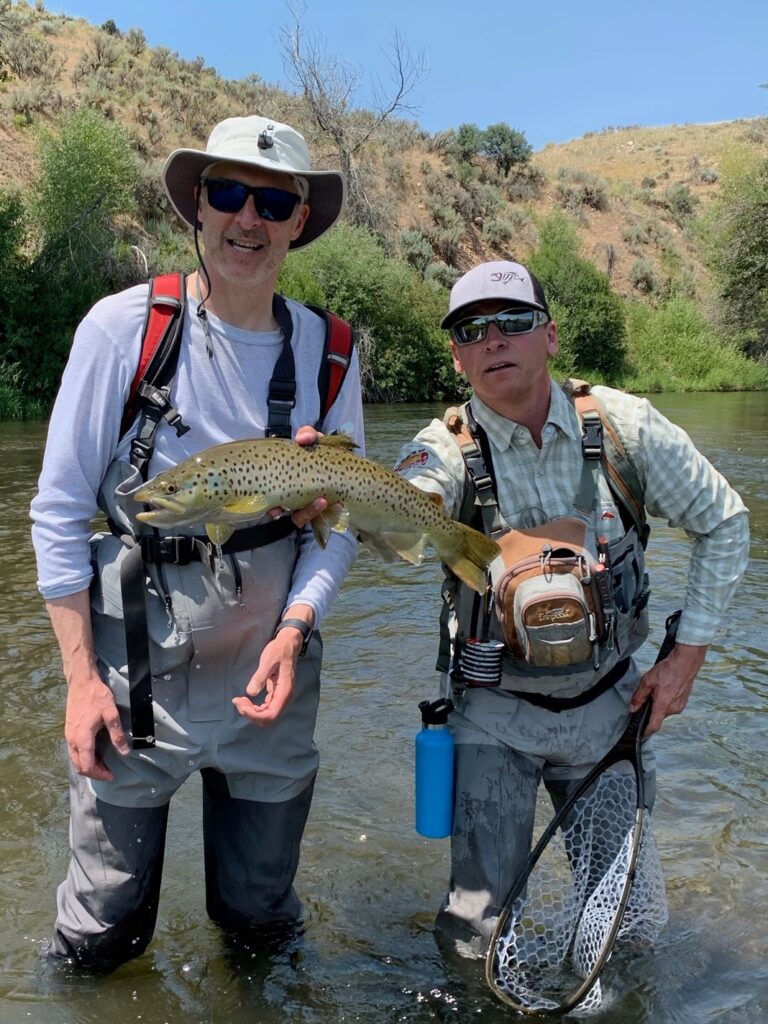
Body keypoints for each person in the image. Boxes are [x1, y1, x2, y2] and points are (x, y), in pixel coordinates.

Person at [30, 114, 363, 971]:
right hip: (134, 667)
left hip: (272, 664)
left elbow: (341, 521)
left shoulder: (331, 351)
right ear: (197, 208)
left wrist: (296, 630)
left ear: (298, 221)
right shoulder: (122, 330)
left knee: (261, 926)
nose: (245, 218)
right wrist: (78, 685)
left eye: (271, 200)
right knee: (101, 933)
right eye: (226, 193)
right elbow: (59, 510)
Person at [392, 259, 749, 957]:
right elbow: (409, 505)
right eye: (473, 329)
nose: (495, 339)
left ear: (550, 336)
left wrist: (684, 661)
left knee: (626, 928)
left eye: (514, 323)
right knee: (477, 932)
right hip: (488, 713)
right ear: (458, 356)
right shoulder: (443, 447)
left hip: (610, 711)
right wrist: (353, 499)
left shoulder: (626, 429)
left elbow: (725, 521)